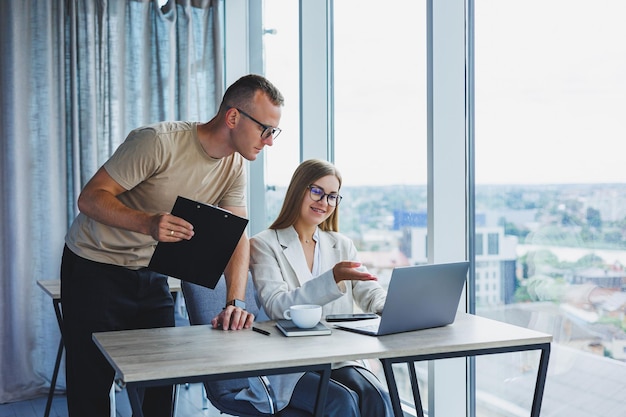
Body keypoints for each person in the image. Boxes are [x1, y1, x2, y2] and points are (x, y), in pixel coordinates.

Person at [60, 74, 284, 417]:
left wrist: (235, 300)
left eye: (273, 132)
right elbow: (89, 198)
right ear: (233, 117)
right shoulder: (157, 142)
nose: (269, 141)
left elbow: (236, 236)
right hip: (94, 267)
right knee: (91, 390)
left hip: (152, 275)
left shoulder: (235, 164)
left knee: (161, 387)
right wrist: (147, 222)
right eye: (265, 129)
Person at [241, 158, 393, 417]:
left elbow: (369, 291)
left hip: (336, 357)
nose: (324, 202)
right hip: (288, 364)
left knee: (376, 396)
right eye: (317, 192)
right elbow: (278, 305)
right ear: (298, 190)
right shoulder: (264, 244)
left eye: (332, 196)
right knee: (341, 401)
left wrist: (391, 307)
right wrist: (332, 278)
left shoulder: (340, 244)